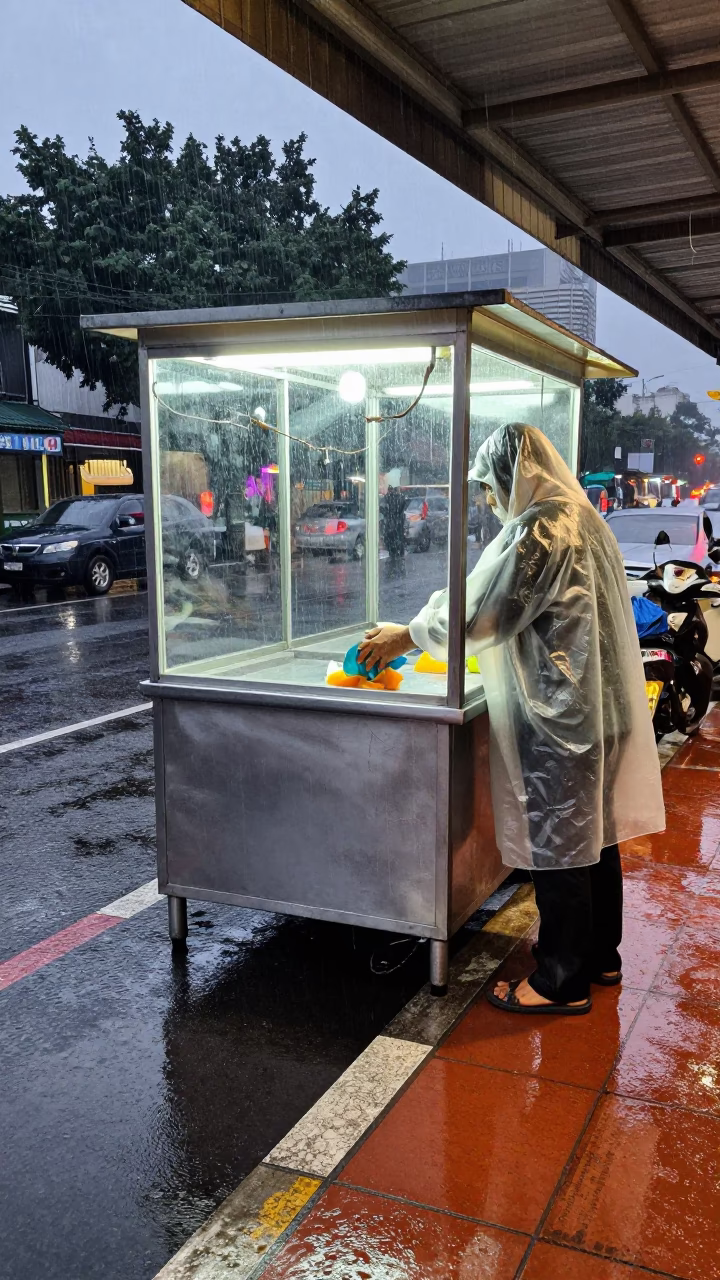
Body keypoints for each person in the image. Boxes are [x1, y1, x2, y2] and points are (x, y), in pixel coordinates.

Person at [358, 423, 665, 1015]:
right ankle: (601, 957)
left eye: (488, 485)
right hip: (607, 710)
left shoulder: (541, 527)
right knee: (596, 837)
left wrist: (407, 635)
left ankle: (560, 982)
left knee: (562, 843)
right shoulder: (584, 518)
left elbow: (482, 611)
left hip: (564, 717)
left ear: (513, 474)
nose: (487, 498)